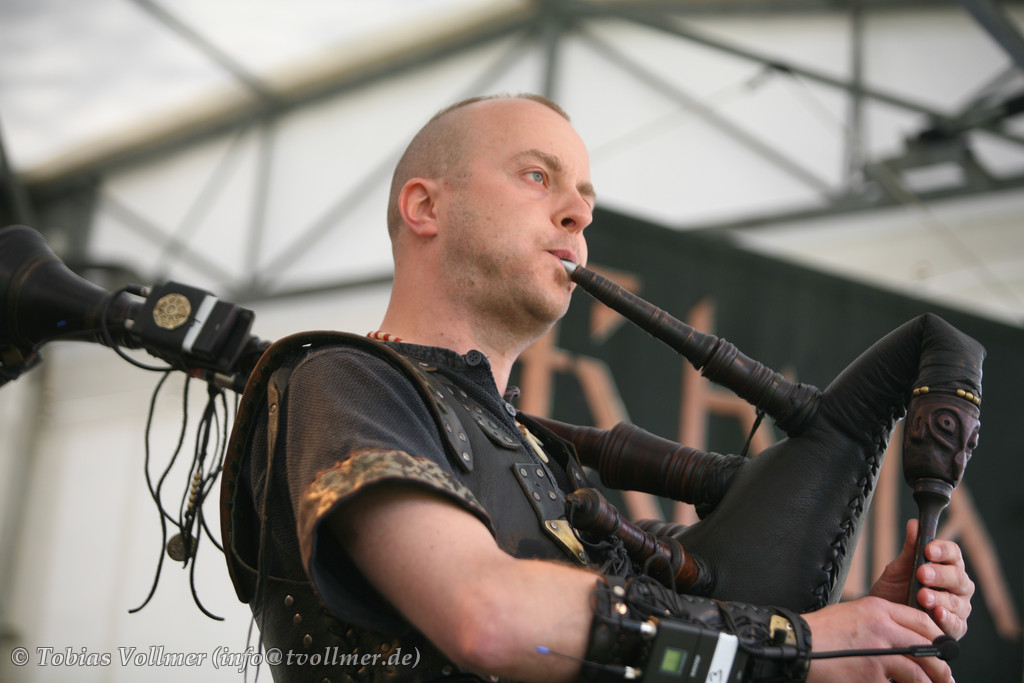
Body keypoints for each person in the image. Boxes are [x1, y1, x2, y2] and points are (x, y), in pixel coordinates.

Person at [225, 93, 975, 683]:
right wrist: (799, 645)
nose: (579, 212)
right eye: (537, 176)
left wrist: (865, 625)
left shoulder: (536, 456)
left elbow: (661, 626)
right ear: (425, 207)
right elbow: (486, 613)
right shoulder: (345, 378)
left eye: (586, 196)